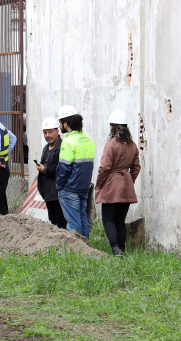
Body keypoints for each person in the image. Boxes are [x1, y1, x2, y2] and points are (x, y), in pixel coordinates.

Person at [94, 110, 140, 255]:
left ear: (112, 127)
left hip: (111, 186)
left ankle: (115, 248)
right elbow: (136, 167)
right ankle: (122, 249)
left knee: (108, 219)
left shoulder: (111, 143)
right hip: (126, 187)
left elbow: (104, 167)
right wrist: (128, 180)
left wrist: (99, 184)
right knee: (120, 220)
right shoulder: (132, 144)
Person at [55, 104, 96, 238]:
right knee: (82, 217)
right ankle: (86, 248)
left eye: (60, 122)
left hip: (69, 188)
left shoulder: (67, 142)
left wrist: (59, 186)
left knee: (73, 222)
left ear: (66, 124)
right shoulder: (88, 140)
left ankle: (77, 251)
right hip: (83, 187)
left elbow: (64, 168)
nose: (59, 125)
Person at [35, 116, 66, 229]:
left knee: (60, 221)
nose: (47, 135)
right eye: (45, 132)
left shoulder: (62, 147)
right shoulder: (45, 148)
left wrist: (45, 170)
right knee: (53, 220)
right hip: (47, 191)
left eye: (50, 132)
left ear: (57, 131)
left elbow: (60, 168)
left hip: (58, 192)